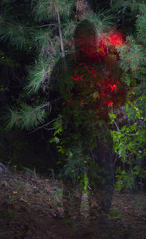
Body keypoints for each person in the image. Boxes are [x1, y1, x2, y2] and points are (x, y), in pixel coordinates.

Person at [51, 19, 126, 224]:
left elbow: (121, 94)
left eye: (89, 38)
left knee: (102, 169)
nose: (86, 42)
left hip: (97, 124)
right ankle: (71, 213)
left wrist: (111, 83)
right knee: (74, 169)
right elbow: (54, 95)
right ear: (76, 40)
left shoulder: (106, 63)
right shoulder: (66, 64)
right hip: (73, 124)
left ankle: (99, 215)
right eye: (82, 38)